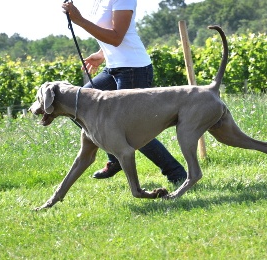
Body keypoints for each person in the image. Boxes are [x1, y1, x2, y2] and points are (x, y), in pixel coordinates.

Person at [62, 0, 186, 183]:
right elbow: (111, 33)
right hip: (113, 68)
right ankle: (115, 159)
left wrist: (79, 20)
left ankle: (177, 174)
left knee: (132, 129)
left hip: (133, 68)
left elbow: (116, 37)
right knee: (79, 107)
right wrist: (101, 54)